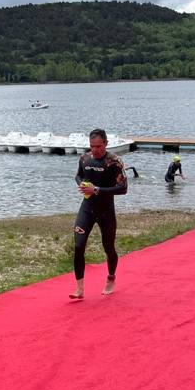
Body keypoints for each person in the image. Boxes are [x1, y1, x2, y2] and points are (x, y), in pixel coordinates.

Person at [71, 128, 127, 299]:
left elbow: (123, 188)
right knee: (79, 245)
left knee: (108, 247)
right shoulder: (85, 159)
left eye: (98, 146)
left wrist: (97, 189)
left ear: (106, 144)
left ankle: (111, 278)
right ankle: (79, 288)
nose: (95, 150)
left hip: (106, 210)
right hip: (87, 208)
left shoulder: (114, 162)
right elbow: (78, 176)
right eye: (92, 146)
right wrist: (82, 184)